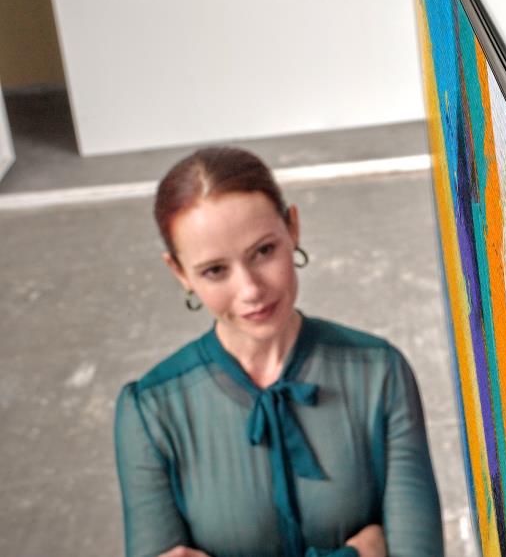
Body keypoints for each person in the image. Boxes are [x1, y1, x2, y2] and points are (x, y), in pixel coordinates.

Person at [114, 147, 443, 557]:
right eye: (215, 270)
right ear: (179, 272)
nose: (251, 290)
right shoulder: (150, 411)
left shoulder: (380, 372)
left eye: (264, 251)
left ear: (293, 229)